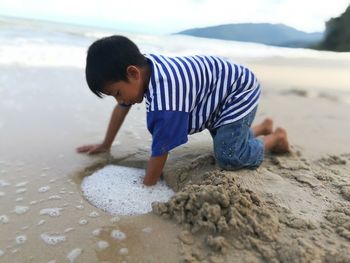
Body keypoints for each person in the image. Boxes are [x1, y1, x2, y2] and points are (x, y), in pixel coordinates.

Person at [77, 35, 289, 186]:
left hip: (238, 91)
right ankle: (261, 127)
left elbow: (160, 151)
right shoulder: (143, 68)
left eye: (116, 92)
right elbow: (121, 108)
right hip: (216, 91)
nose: (119, 99)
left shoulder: (166, 102)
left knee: (228, 155)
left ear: (132, 73)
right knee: (226, 137)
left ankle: (275, 138)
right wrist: (105, 144)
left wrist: (146, 186)